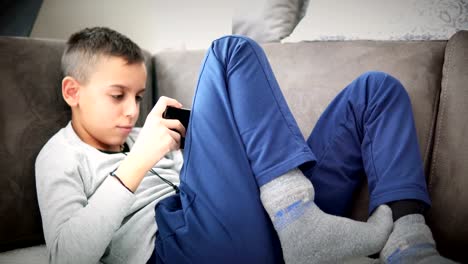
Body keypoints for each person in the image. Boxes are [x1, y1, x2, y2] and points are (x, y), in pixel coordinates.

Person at [35, 27, 456, 264]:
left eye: (138, 96)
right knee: (229, 51)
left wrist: (199, 138)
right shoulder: (59, 156)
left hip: (265, 226)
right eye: (117, 95)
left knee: (375, 90)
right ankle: (299, 222)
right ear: (73, 91)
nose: (131, 112)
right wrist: (139, 163)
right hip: (179, 249)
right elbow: (67, 257)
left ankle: (409, 243)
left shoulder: (142, 136)